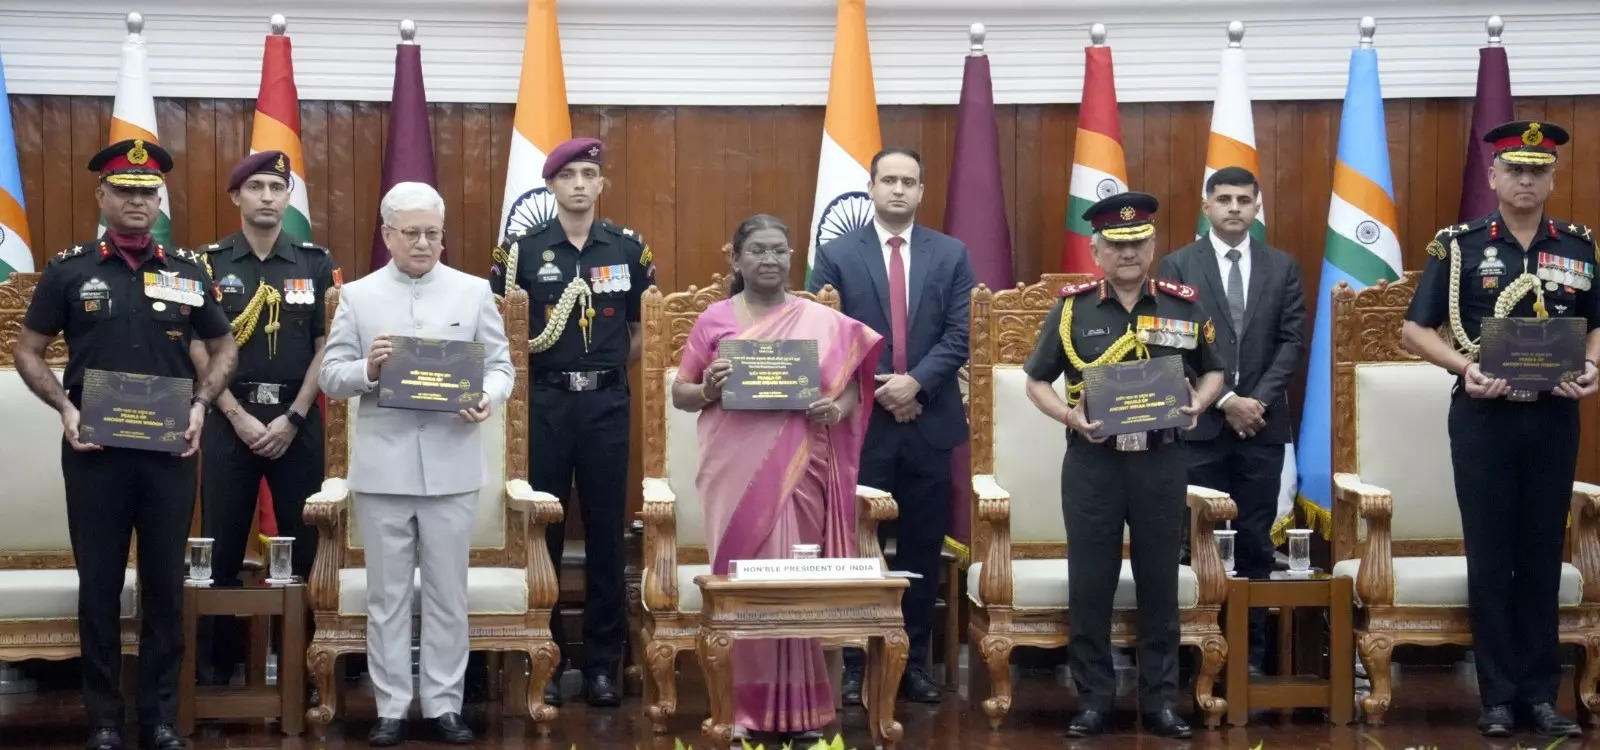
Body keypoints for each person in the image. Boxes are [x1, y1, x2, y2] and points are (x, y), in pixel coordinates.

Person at [12, 139, 236, 750]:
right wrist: (64, 407)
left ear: (158, 198)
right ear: (102, 195)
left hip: (169, 453)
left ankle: (160, 718)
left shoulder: (188, 271)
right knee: (100, 585)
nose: (137, 201)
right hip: (95, 454)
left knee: (165, 586)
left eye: (147, 192)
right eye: (125, 190)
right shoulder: (70, 269)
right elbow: (27, 349)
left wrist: (199, 406)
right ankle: (105, 720)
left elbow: (226, 348)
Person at [1400, 120, 1599, 739]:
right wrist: (1466, 368)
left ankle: (1541, 696)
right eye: (1514, 169)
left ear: (1551, 179)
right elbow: (1414, 329)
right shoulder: (1458, 247)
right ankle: (1496, 696)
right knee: (1491, 556)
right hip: (1484, 416)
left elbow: (1596, 323)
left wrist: (1591, 367)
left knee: (1541, 554)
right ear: (1493, 177)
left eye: (1537, 171)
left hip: (1552, 415)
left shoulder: (1577, 245)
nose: (1526, 179)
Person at [671, 214, 884, 740]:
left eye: (780, 250)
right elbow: (681, 392)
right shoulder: (715, 319)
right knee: (746, 586)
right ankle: (742, 713)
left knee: (794, 582)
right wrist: (710, 390)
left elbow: (857, 383)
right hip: (733, 471)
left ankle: (807, 715)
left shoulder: (822, 321)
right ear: (737, 259)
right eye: (759, 251)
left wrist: (836, 409)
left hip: (805, 470)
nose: (770, 260)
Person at [1022, 192, 1224, 739]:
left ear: (1153, 245)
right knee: (1091, 583)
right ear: (1097, 249)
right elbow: (1036, 379)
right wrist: (1069, 415)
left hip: (1160, 461)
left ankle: (1160, 702)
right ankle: (1094, 699)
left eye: (1138, 243)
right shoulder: (1072, 309)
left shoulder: (1182, 305)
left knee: (1159, 581)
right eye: (1116, 243)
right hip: (1094, 463)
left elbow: (1214, 372)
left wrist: (1198, 405)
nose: (1128, 252)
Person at [319, 181, 514, 746]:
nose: (424, 243)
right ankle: (390, 706)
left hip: (453, 465)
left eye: (433, 233)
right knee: (387, 594)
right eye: (412, 233)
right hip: (384, 470)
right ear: (387, 236)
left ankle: (444, 705)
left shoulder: (474, 292)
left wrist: (489, 398)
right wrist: (368, 370)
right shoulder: (357, 296)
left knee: (449, 592)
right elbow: (332, 375)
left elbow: (502, 368)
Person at [489, 137, 653, 707]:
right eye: (569, 175)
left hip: (606, 406)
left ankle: (605, 663)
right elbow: (502, 335)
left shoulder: (628, 251)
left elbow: (639, 333)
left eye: (590, 173)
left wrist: (599, 371)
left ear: (602, 184)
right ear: (551, 185)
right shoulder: (519, 254)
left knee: (607, 534)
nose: (580, 183)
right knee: (545, 532)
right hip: (545, 406)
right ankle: (550, 658)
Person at [808, 146, 976, 704]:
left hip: (929, 422)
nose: (899, 190)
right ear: (872, 187)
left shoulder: (951, 254)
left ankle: (912, 663)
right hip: (862, 424)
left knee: (922, 549)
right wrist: (885, 387)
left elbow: (959, 335)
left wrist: (916, 385)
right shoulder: (835, 254)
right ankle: (855, 661)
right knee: (857, 546)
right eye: (889, 180)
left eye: (909, 181)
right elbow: (829, 333)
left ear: (922, 191)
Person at [192, 150, 334, 684]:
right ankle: (216, 669)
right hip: (230, 420)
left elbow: (327, 345)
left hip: (295, 421)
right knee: (223, 544)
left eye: (278, 187)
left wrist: (294, 417)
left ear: (288, 197)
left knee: (305, 543)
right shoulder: (208, 264)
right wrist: (232, 412)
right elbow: (197, 346)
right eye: (257, 188)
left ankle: (305, 667)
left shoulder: (314, 263)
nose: (269, 197)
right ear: (237, 197)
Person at [1157, 166, 1307, 672]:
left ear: (1257, 206)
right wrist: (1223, 401)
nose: (1235, 208)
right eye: (1225, 199)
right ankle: (1194, 659)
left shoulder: (1282, 266)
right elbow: (1171, 346)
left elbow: (1291, 343)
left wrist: (1255, 403)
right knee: (1194, 541)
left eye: (1245, 199)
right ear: (1207, 206)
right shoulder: (1178, 266)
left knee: (1256, 542)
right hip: (1201, 426)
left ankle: (1250, 658)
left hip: (1262, 428)